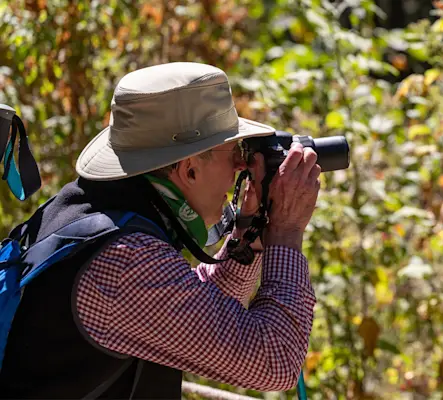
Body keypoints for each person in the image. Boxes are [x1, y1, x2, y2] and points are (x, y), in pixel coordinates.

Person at [0, 62, 319, 398]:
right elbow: (277, 361)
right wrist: (286, 230)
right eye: (234, 151)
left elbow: (195, 315)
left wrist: (249, 232)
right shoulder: (127, 262)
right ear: (190, 169)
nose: (242, 164)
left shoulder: (92, 213)